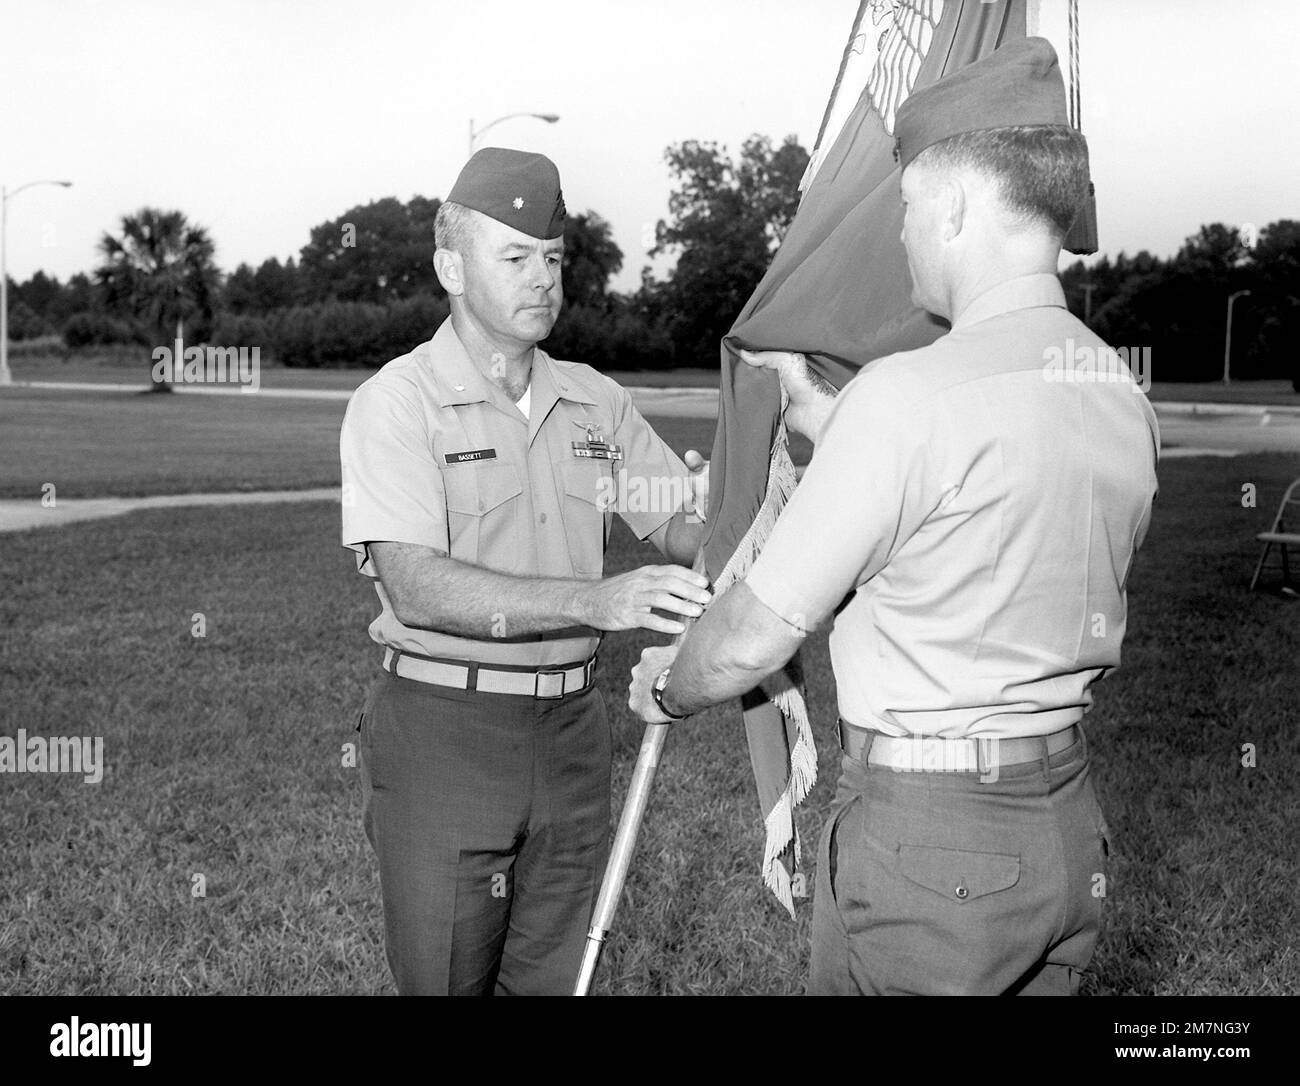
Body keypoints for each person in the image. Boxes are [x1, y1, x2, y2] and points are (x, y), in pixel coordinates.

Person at [628, 37, 1160, 995]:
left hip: (932, 848)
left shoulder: (909, 398)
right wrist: (838, 424)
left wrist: (668, 688)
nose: (904, 234)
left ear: (955, 204)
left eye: (909, 206)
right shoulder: (1117, 390)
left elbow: (752, 637)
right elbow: (982, 520)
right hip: (1067, 823)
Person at [340, 147, 711, 995]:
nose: (541, 277)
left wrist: (767, 506)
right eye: (513, 257)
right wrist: (598, 599)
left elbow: (691, 531)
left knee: (558, 980)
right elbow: (414, 584)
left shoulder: (596, 400)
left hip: (574, 735)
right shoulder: (397, 403)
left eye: (551, 258)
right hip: (446, 729)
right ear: (451, 267)